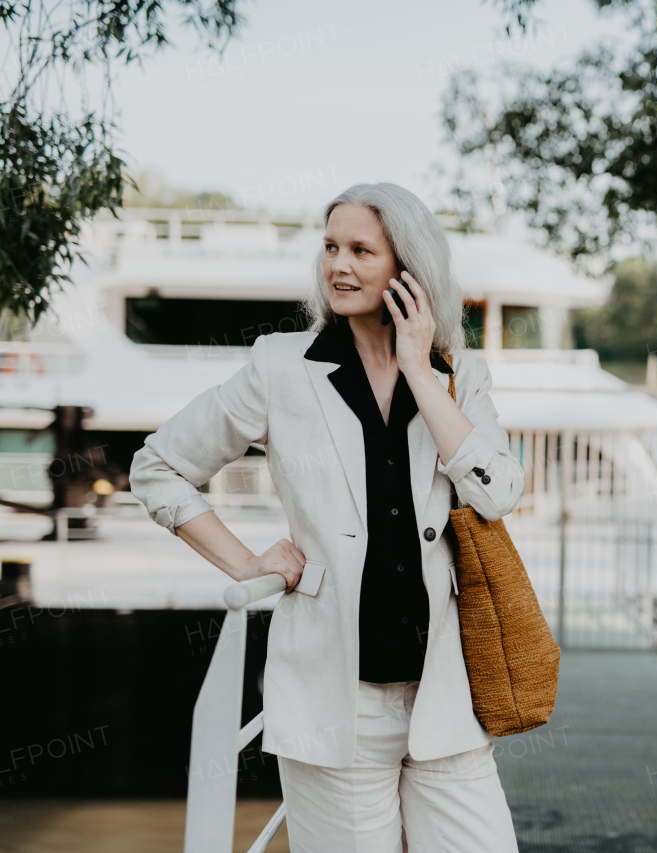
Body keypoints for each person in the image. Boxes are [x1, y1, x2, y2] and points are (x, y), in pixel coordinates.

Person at [129, 182, 525, 852]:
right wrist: (248, 563)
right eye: (331, 247)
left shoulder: (460, 374)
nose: (338, 265)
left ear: (408, 266)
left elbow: (498, 491)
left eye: (361, 250)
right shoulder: (281, 365)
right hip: (331, 700)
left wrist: (422, 374)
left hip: (446, 698)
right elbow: (158, 466)